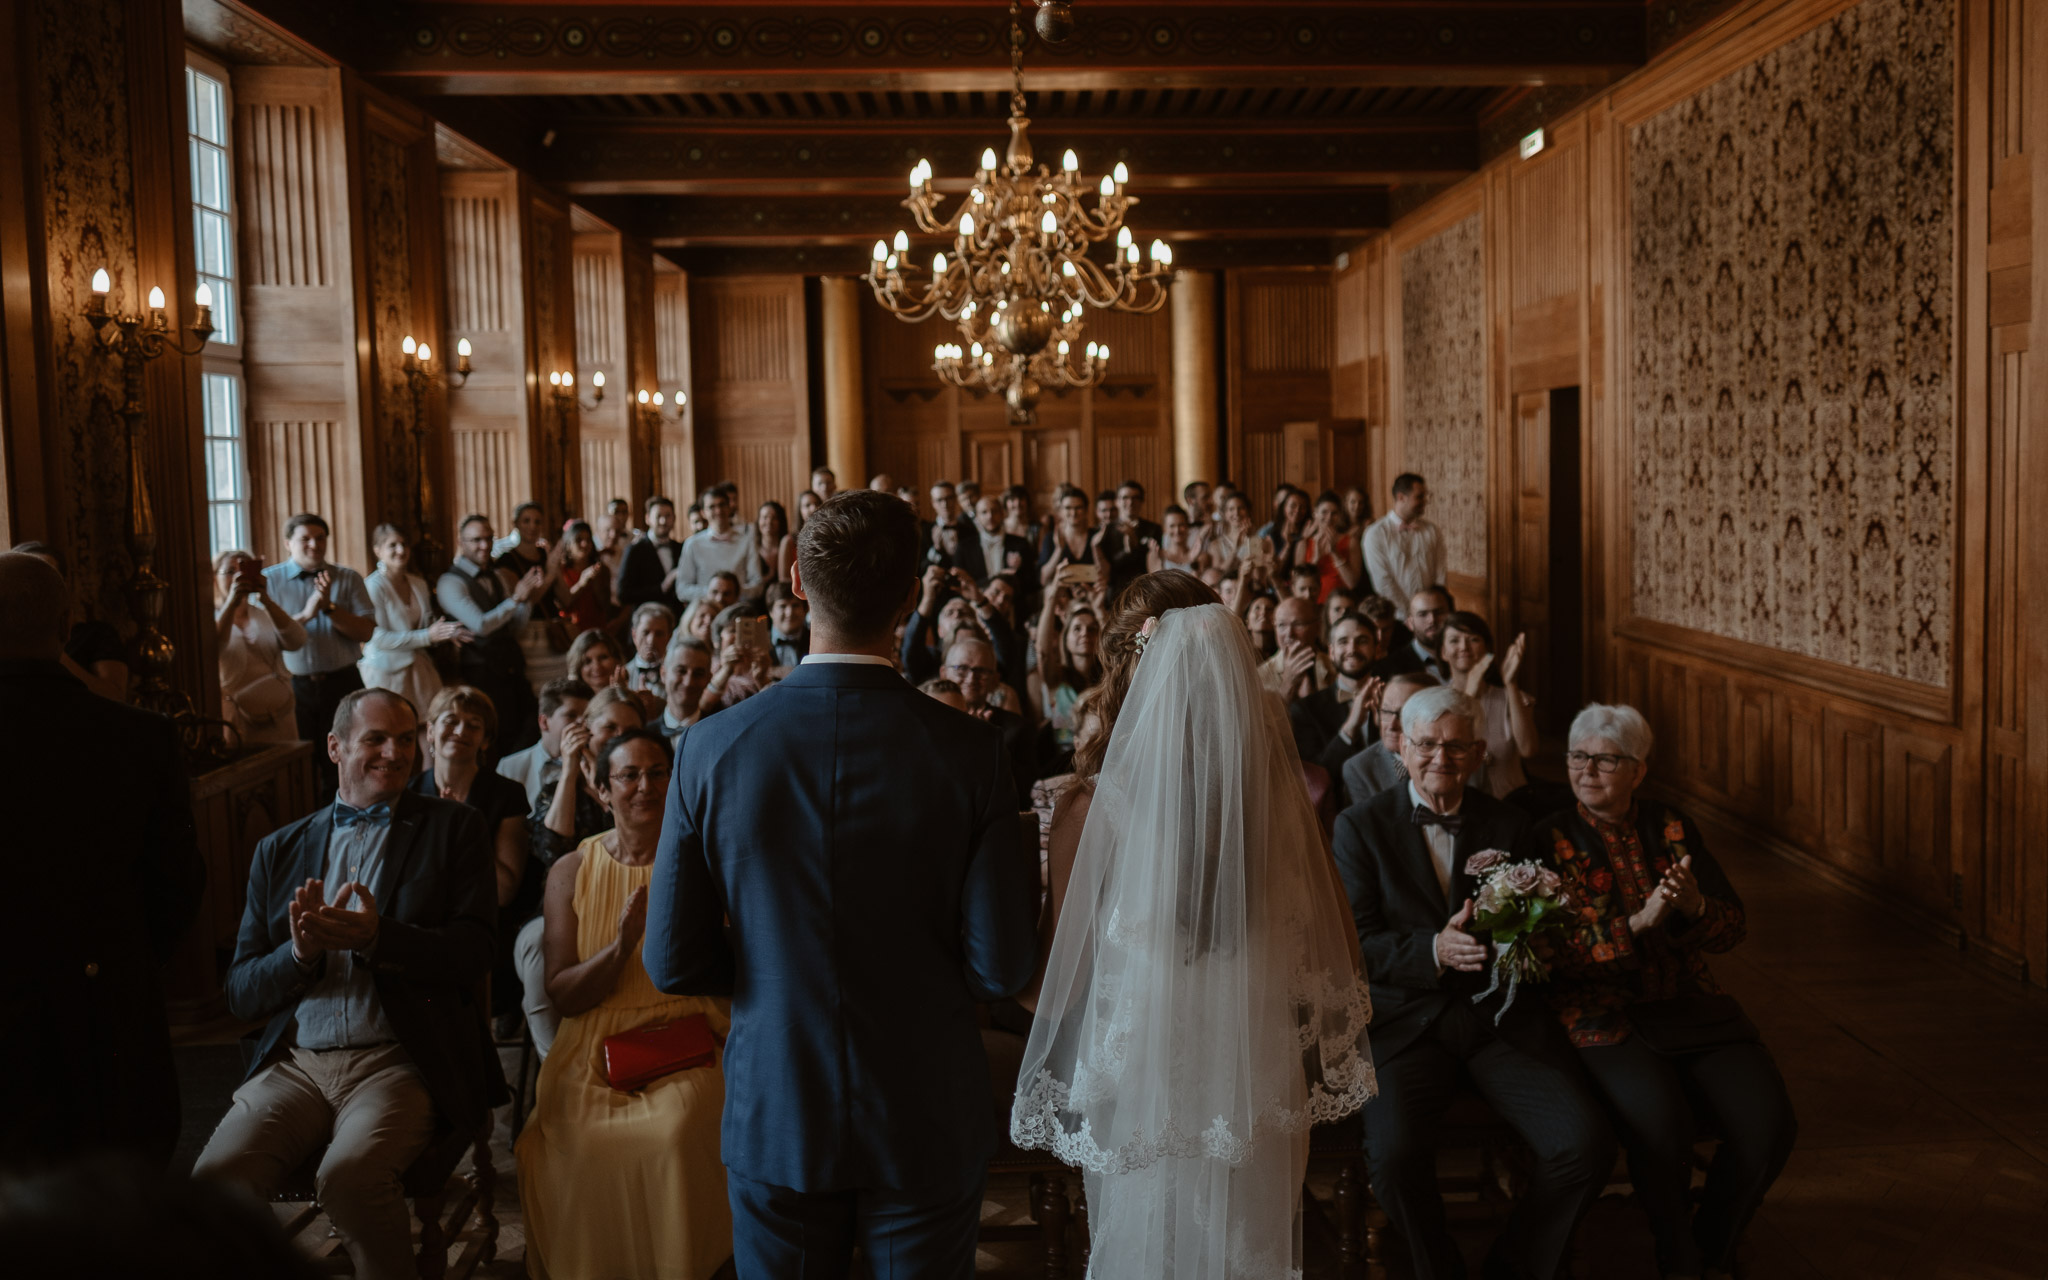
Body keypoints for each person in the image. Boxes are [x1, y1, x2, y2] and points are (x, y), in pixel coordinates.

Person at [645, 489, 1037, 1280]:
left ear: (795, 580)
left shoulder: (712, 747)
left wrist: (775, 973)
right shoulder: (973, 752)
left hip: (779, 1096)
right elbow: (1000, 967)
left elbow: (674, 962)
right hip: (923, 1098)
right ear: (907, 595)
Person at [1011, 578, 1375, 1280]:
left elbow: (1057, 996)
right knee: (1251, 1243)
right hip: (1254, 1075)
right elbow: (1341, 968)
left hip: (1145, 1087)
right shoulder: (1281, 807)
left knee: (1148, 1243)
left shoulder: (1093, 808)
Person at [192, 688, 504, 1280]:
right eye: (376, 739)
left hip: (401, 1060)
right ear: (335, 748)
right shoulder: (277, 849)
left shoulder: (454, 828)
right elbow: (241, 991)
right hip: (299, 1065)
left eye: (407, 739)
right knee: (212, 1185)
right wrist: (300, 953)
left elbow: (476, 951)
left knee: (350, 1177)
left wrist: (377, 938)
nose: (396, 752)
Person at [1330, 684, 1613, 1280]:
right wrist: (1432, 949)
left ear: (1481, 752)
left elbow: (1537, 935)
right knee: (1394, 1156)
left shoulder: (1511, 824)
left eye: (1457, 748)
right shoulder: (1359, 826)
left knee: (1584, 1147)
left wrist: (1527, 930)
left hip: (1497, 1022)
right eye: (1427, 745)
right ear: (1400, 748)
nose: (1440, 759)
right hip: (1407, 1025)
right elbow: (1354, 943)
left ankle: (1512, 1266)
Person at [1539, 704, 1796, 1280]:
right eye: (1578, 757)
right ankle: (1675, 1254)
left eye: (1606, 759)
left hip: (1690, 1004)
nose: (1588, 770)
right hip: (1600, 1013)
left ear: (1639, 770)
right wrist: (1636, 924)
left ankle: (1712, 1245)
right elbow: (1551, 957)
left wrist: (1693, 908)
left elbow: (1733, 927)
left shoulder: (1672, 826)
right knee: (1664, 1128)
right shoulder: (1547, 838)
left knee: (1769, 1128)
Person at [0, 552, 203, 1166]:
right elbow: (178, 883)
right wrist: (126, 958)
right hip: (107, 1017)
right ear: (66, 629)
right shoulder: (141, 736)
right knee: (117, 1214)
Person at [518, 729, 733, 1280]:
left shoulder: (704, 861)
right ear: (602, 790)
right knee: (581, 1143)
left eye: (657, 772)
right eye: (629, 775)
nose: (645, 786)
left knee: (677, 1132)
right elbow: (563, 994)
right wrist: (621, 949)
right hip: (594, 1042)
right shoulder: (571, 870)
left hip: (687, 1035)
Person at [521, 684, 647, 1057]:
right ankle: (556, 1058)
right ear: (588, 731)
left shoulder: (646, 785)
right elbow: (551, 850)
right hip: (567, 910)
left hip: (634, 897)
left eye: (630, 730)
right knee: (537, 944)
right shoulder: (557, 787)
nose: (620, 738)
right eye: (610, 728)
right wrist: (571, 767)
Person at [265, 513, 378, 795]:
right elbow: (267, 639)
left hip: (343, 682)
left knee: (348, 759)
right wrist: (305, 615)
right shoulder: (269, 581)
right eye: (305, 539)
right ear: (288, 543)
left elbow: (366, 632)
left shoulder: (349, 577)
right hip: (293, 685)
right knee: (300, 767)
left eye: (320, 538)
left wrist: (329, 608)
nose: (314, 545)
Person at [439, 514, 546, 757]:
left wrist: (526, 601)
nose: (484, 545)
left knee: (529, 728)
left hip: (512, 666)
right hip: (480, 671)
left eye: (488, 538)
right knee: (495, 737)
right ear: (461, 542)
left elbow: (514, 627)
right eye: (476, 540)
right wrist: (515, 599)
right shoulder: (450, 582)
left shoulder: (496, 576)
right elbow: (481, 626)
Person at [415, 686, 530, 912]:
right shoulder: (410, 794)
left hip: (482, 916)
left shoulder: (507, 795)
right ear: (430, 731)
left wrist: (462, 829)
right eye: (450, 721)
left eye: (473, 725)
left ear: (485, 741)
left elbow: (504, 893)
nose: (460, 731)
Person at [359, 525, 464, 719]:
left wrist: (447, 633)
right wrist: (427, 636)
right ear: (377, 550)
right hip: (385, 672)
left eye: (404, 544)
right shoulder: (373, 586)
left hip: (420, 669)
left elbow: (427, 627)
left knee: (430, 724)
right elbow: (378, 638)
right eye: (393, 545)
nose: (401, 550)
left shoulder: (419, 583)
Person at [10, 541, 131, 701]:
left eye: (45, 580)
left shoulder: (97, 635)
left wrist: (53, 651)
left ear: (64, 585)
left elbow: (115, 697)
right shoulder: (8, 642)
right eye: (27, 580)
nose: (35, 590)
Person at [214, 548, 308, 746]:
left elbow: (297, 640)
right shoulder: (210, 619)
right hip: (238, 716)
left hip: (280, 712)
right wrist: (231, 602)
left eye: (245, 570)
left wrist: (266, 599)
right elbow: (214, 648)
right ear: (215, 578)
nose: (238, 576)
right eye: (230, 571)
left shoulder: (263, 613)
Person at [1441, 610, 1539, 802]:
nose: (1464, 647)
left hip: (1511, 803)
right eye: (1454, 641)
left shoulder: (1513, 697)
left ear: (1487, 649)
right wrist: (1470, 694)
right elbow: (1450, 747)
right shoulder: (1436, 701)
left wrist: (1510, 683)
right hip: (1459, 806)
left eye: (1473, 639)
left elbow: (1528, 749)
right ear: (1443, 652)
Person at [1289, 610, 1387, 779]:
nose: (1352, 649)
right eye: (1343, 642)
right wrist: (1349, 729)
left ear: (1377, 649)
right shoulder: (1305, 711)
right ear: (1332, 652)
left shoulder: (1393, 700)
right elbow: (1315, 780)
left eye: (1362, 641)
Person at [1341, 673, 1455, 810]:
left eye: (1404, 714)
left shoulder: (1458, 757)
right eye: (1386, 711)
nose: (1391, 725)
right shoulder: (1360, 769)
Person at [943, 633, 1036, 799]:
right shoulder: (929, 721)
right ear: (943, 673)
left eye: (981, 671)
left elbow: (1023, 791)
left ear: (995, 680)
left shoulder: (1018, 729)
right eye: (962, 669)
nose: (972, 678)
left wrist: (986, 745)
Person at [1029, 584, 1101, 777]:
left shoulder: (1108, 680)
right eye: (1077, 629)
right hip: (1064, 764)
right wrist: (1051, 599)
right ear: (1065, 639)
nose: (1085, 633)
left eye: (1092, 629)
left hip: (1103, 761)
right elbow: (1043, 653)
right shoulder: (1057, 678)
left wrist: (1099, 609)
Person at [497, 677, 593, 810]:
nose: (583, 723)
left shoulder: (596, 763)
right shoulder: (510, 768)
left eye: (587, 717)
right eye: (571, 715)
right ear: (544, 722)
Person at [1363, 473, 1448, 606]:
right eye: (1419, 497)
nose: (1425, 501)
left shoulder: (1432, 530)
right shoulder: (1375, 534)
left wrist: (1433, 606)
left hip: (1431, 610)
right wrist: (1408, 613)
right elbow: (1383, 582)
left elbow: (1440, 573)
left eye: (1425, 496)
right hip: (1397, 615)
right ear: (1401, 497)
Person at [676, 487, 764, 606]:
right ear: (703, 513)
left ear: (729, 508)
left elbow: (757, 584)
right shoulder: (692, 544)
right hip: (705, 609)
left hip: (738, 607)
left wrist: (732, 593)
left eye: (722, 505)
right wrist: (713, 593)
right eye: (712, 507)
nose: (718, 511)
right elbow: (682, 589)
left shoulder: (746, 541)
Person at [1092, 479, 1161, 601]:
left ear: (1141, 501)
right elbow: (1108, 567)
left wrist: (1134, 541)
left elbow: (1153, 563)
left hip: (1146, 591)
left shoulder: (1153, 529)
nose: (1130, 502)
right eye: (1125, 498)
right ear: (1117, 502)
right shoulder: (1106, 531)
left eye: (1135, 498)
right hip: (1115, 591)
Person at [615, 496, 682, 613]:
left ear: (674, 518)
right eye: (658, 516)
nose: (663, 521)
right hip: (645, 617)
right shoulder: (634, 550)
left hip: (676, 617)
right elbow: (623, 594)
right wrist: (661, 588)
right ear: (647, 519)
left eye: (668, 516)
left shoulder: (681, 548)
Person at [1261, 595, 1335, 701]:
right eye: (1282, 625)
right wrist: (1288, 685)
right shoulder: (1261, 676)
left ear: (1317, 627)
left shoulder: (1334, 667)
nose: (1289, 634)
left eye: (1298, 624)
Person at [552, 519, 614, 638]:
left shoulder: (602, 569)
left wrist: (595, 581)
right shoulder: (561, 570)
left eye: (588, 540)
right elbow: (562, 605)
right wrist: (582, 582)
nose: (585, 544)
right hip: (570, 632)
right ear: (568, 544)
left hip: (596, 630)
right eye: (579, 540)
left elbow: (606, 606)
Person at [1380, 585, 1455, 683]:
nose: (1432, 620)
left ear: (1452, 616)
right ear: (1410, 623)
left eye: (1439, 612)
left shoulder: (1469, 654)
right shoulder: (1390, 668)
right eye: (1423, 614)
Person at [1300, 489, 1363, 600]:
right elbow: (1299, 584)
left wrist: (1335, 553)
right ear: (1315, 513)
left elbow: (1352, 583)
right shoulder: (1304, 543)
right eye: (1324, 512)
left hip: (1341, 601)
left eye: (1334, 513)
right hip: (1311, 602)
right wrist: (1316, 558)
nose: (1329, 518)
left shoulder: (1351, 541)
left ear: (1339, 516)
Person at [1037, 485, 1100, 590]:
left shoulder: (1096, 536)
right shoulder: (1050, 538)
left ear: (1086, 510)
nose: (1073, 513)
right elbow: (1044, 579)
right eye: (1068, 508)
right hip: (1062, 599)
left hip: (1093, 595)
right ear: (1061, 511)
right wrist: (1059, 549)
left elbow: (1107, 575)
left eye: (1078, 508)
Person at [658, 638, 715, 741]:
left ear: (708, 679)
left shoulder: (716, 733)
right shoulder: (645, 734)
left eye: (698, 674)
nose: (688, 682)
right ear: (663, 674)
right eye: (681, 671)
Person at [625, 602, 677, 706]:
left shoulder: (678, 673)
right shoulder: (624, 674)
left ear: (670, 636)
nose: (651, 641)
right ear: (634, 635)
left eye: (659, 634)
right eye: (645, 632)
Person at [566, 627, 629, 695]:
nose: (597, 667)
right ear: (578, 667)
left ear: (617, 659)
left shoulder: (636, 699)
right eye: (588, 661)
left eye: (603, 657)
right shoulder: (573, 704)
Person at [1147, 503, 1205, 575]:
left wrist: (1194, 561)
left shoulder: (1199, 556)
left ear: (1187, 527)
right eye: (1172, 526)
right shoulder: (1157, 555)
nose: (1177, 530)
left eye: (1181, 525)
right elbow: (1155, 585)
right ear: (1165, 528)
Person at [765, 582, 810, 670]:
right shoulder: (759, 644)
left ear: (805, 610)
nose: (789, 613)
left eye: (795, 605)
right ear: (771, 612)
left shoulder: (817, 642)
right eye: (782, 606)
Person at [596, 497, 638, 581]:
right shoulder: (592, 548)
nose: (613, 535)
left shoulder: (634, 539)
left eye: (624, 512)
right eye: (608, 530)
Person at [756, 499, 795, 588]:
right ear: (758, 521)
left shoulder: (788, 546)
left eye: (774, 518)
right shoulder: (752, 548)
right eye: (765, 517)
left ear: (781, 521)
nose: (769, 522)